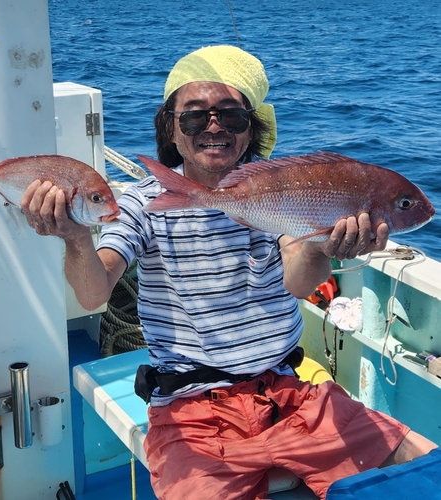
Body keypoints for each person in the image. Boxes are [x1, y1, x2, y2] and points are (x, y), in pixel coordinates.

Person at [21, 45, 437, 499]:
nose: (213, 126)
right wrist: (76, 237)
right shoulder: (142, 203)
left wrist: (325, 247)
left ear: (250, 129)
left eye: (231, 116)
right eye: (195, 117)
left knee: (424, 473)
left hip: (290, 393)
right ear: (173, 131)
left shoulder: (280, 192)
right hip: (192, 411)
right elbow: (92, 293)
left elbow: (298, 283)